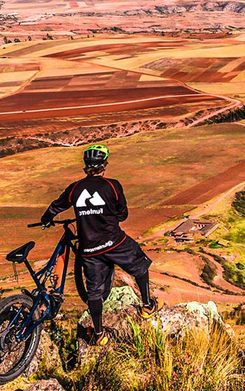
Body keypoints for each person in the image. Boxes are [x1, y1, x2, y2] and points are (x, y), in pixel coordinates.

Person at [41, 143, 162, 346]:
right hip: (114, 242)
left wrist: (46, 219)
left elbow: (55, 207)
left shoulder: (75, 188)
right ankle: (148, 306)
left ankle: (98, 334)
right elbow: (123, 214)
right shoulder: (112, 186)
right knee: (140, 264)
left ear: (85, 166)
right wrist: (106, 215)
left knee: (94, 292)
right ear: (104, 165)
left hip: (89, 250)